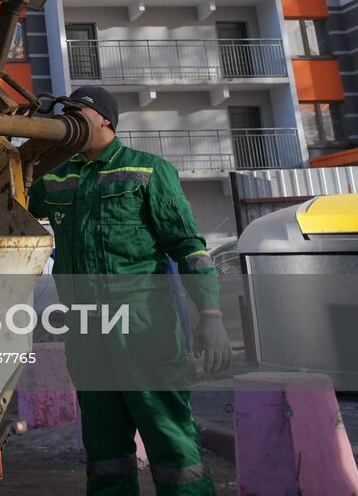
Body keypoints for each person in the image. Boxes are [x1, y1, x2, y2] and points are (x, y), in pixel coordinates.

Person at [26, 85, 232, 496]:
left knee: (168, 434)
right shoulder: (56, 181)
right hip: (86, 332)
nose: (66, 117)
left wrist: (210, 314)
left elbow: (189, 248)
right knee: (104, 446)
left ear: (104, 117)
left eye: (76, 109)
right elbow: (9, 201)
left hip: (143, 326)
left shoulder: (148, 171)